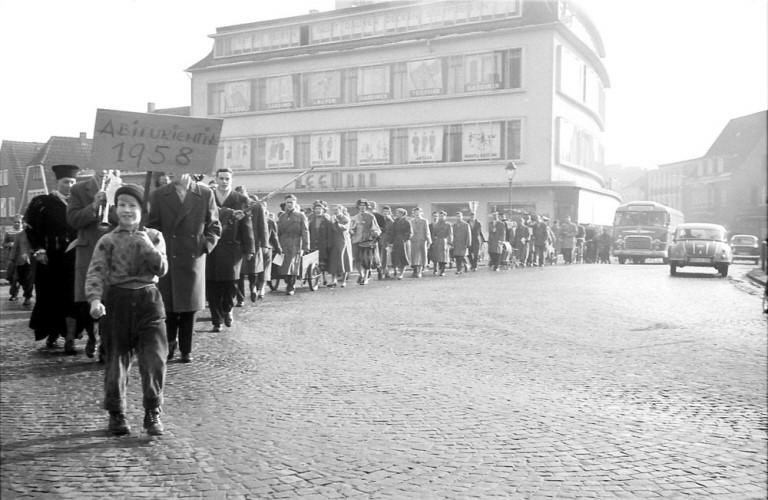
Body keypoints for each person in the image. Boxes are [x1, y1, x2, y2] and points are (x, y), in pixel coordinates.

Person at [86, 183, 168, 436]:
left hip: (149, 301)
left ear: (142, 210)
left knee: (154, 360)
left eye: (132, 205)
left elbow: (162, 268)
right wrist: (94, 300)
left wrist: (148, 246)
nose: (127, 210)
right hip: (118, 302)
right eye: (122, 205)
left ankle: (152, 412)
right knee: (116, 361)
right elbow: (96, 272)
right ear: (115, 208)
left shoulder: (154, 236)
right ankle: (116, 413)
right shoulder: (107, 240)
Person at [148, 173, 221, 364]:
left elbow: (214, 226)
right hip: (168, 255)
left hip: (193, 256)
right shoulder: (159, 194)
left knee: (190, 306)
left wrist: (204, 245)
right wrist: (156, 247)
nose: (174, 171)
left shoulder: (205, 193)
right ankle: (170, 343)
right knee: (169, 305)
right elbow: (152, 225)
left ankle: (186, 349)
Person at [25, 164, 80, 353]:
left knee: (72, 298)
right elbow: (31, 228)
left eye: (73, 182)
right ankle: (52, 332)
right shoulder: (43, 203)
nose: (70, 186)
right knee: (50, 297)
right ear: (57, 182)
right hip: (49, 259)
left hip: (73, 259)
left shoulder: (79, 203)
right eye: (66, 182)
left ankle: (70, 338)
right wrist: (39, 249)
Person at [67, 169, 120, 359]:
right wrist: (94, 205)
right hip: (88, 249)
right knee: (87, 299)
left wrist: (111, 206)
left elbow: (130, 219)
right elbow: (72, 220)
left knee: (111, 298)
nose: (105, 169)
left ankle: (106, 342)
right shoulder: (79, 190)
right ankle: (92, 336)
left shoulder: (121, 188)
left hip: (114, 251)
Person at [206, 168, 254, 332]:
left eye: (227, 179)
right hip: (211, 247)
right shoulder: (208, 196)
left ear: (231, 180)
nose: (224, 182)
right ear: (216, 179)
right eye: (221, 178)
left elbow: (247, 226)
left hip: (233, 248)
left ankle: (227, 309)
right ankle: (216, 320)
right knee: (211, 284)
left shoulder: (241, 199)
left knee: (230, 283)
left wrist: (250, 248)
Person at [238, 195, 269, 304]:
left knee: (253, 269)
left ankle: (253, 288)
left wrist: (265, 243)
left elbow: (263, 225)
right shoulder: (236, 205)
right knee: (239, 271)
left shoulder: (257, 207)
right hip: (239, 242)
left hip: (254, 242)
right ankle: (240, 298)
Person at [277, 194, 310, 296]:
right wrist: (276, 244)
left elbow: (305, 231)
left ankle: (291, 286)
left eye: (291, 202)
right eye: (288, 202)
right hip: (283, 244)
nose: (289, 204)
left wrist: (306, 246)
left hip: (295, 243)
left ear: (295, 203)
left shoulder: (300, 216)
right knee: (283, 266)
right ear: (285, 204)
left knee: (292, 266)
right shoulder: (282, 216)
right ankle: (288, 282)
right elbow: (278, 232)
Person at [350, 199, 381, 285]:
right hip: (356, 240)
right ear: (358, 207)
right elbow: (351, 228)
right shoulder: (355, 217)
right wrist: (351, 231)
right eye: (360, 206)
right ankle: (361, 274)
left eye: (364, 206)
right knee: (357, 259)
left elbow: (376, 228)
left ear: (367, 207)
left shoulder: (371, 217)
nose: (362, 207)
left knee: (367, 260)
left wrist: (375, 233)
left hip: (367, 241)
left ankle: (365, 277)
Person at [6, 215, 34, 306]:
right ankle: (14, 293)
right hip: (20, 261)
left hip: (31, 261)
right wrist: (11, 259)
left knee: (29, 281)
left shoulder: (35, 234)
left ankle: (27, 297)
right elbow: (15, 248)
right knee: (17, 279)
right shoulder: (19, 235)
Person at [326, 204, 353, 287]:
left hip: (342, 241)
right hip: (333, 241)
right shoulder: (332, 218)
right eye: (334, 210)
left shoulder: (345, 218)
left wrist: (336, 222)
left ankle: (344, 281)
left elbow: (344, 228)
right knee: (333, 261)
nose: (335, 212)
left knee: (344, 260)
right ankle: (333, 280)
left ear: (340, 210)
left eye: (337, 210)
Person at [307, 200, 332, 286]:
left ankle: (324, 278)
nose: (318, 210)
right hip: (313, 243)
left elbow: (329, 233)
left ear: (323, 210)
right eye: (316, 209)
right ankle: (316, 278)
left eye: (320, 208)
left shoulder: (326, 220)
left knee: (323, 261)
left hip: (323, 244)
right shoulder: (311, 220)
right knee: (313, 261)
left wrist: (329, 244)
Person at [389, 208, 413, 280]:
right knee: (395, 257)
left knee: (403, 257)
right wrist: (391, 242)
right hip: (396, 241)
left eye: (398, 213)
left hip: (403, 242)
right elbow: (392, 232)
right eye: (396, 213)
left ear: (402, 214)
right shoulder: (395, 222)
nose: (396, 214)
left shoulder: (407, 222)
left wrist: (404, 239)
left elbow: (410, 233)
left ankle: (401, 273)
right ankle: (395, 271)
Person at [408, 207, 431, 278]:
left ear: (421, 213)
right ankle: (415, 270)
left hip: (422, 240)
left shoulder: (424, 221)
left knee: (421, 255)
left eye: (418, 212)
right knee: (414, 256)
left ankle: (420, 270)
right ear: (413, 213)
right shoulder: (411, 221)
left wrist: (429, 240)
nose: (417, 214)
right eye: (415, 213)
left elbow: (427, 231)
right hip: (413, 240)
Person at [431, 211, 453, 277]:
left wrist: (449, 242)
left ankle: (442, 270)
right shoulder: (436, 225)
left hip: (444, 241)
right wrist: (433, 241)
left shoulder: (448, 224)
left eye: (442, 216)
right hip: (437, 242)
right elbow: (433, 234)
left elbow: (450, 234)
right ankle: (439, 269)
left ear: (445, 217)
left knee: (444, 257)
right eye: (440, 216)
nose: (441, 217)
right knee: (438, 257)